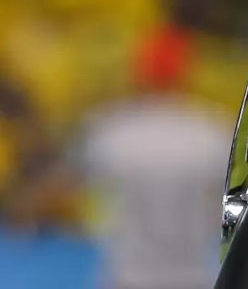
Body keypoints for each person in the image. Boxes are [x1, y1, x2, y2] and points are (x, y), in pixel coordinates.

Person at [83, 26, 232, 289]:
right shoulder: (214, 131)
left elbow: (67, 190)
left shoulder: (109, 131)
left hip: (128, 277)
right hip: (194, 276)